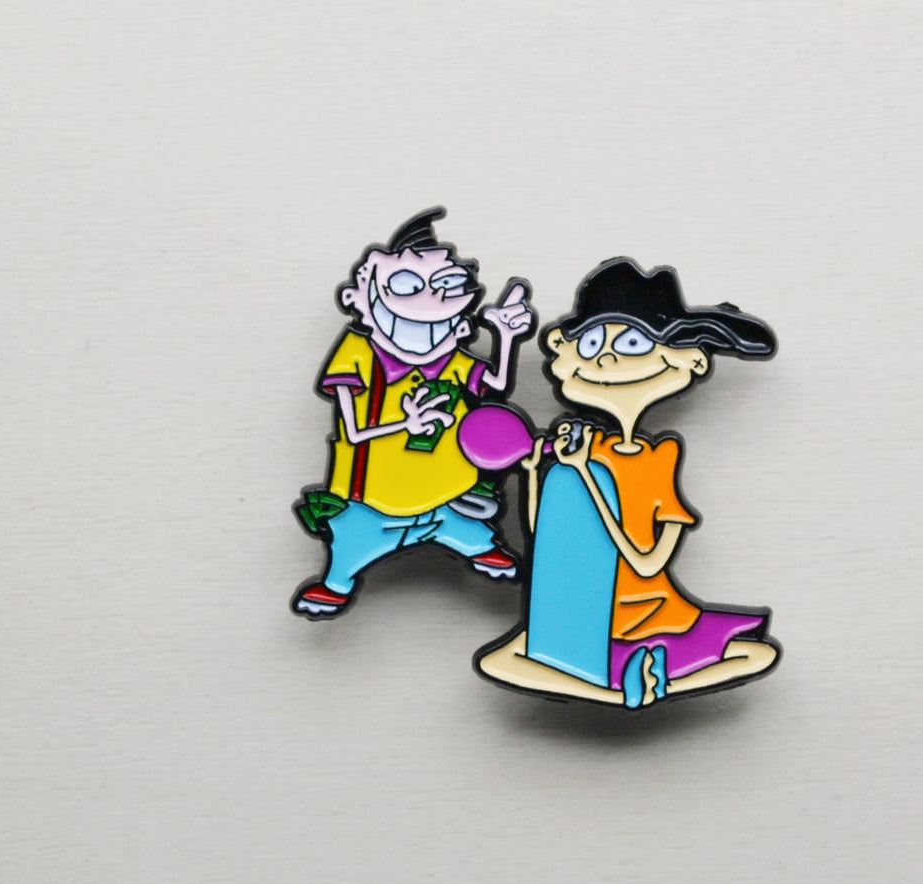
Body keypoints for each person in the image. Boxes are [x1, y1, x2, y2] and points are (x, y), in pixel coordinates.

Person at [474, 258, 780, 707]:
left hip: (650, 612)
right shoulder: (581, 446)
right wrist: (538, 474)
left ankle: (632, 677)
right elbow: (542, 536)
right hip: (579, 618)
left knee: (756, 653)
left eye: (633, 343)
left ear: (689, 360)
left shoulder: (658, 459)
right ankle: (631, 678)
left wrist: (585, 476)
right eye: (590, 342)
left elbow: (646, 563)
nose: (606, 358)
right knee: (498, 662)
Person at [293, 208, 534, 618]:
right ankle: (336, 583)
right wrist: (407, 423)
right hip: (373, 495)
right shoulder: (358, 354)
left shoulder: (454, 359)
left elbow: (494, 385)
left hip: (448, 490)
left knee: (464, 522)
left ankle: (479, 545)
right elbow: (353, 431)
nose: (431, 299)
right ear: (359, 298)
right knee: (352, 540)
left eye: (448, 285)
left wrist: (507, 336)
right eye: (406, 285)